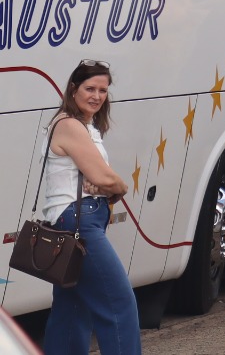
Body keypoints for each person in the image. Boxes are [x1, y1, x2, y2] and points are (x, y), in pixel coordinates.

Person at [39, 60, 138, 355]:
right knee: (119, 306)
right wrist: (120, 187)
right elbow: (103, 177)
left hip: (75, 220)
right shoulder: (69, 125)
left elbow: (99, 178)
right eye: (89, 88)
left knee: (71, 311)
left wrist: (106, 186)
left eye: (103, 91)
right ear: (73, 89)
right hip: (79, 223)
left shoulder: (83, 125)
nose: (96, 96)